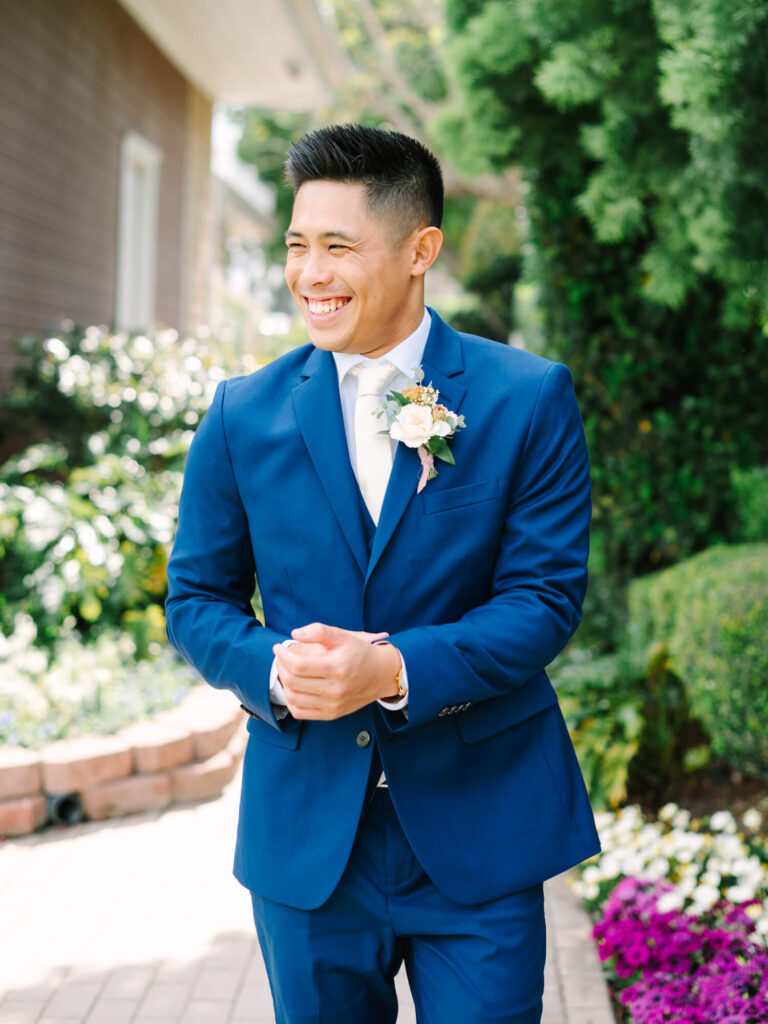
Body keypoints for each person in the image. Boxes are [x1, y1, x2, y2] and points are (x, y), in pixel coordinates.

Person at [165, 123, 600, 1024]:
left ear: (419, 250)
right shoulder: (242, 415)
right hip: (309, 845)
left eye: (337, 247)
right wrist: (276, 670)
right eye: (296, 245)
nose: (309, 274)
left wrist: (394, 670)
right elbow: (196, 600)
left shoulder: (526, 398)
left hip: (483, 830)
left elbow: (545, 599)